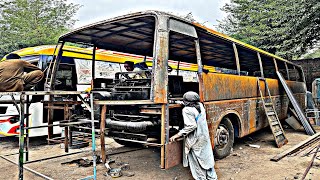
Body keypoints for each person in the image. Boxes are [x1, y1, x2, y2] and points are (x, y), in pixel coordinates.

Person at [170, 91, 218, 180]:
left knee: (197, 165)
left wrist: (177, 134)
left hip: (195, 141)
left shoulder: (187, 110)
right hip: (204, 138)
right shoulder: (200, 106)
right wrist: (176, 102)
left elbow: (191, 126)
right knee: (207, 161)